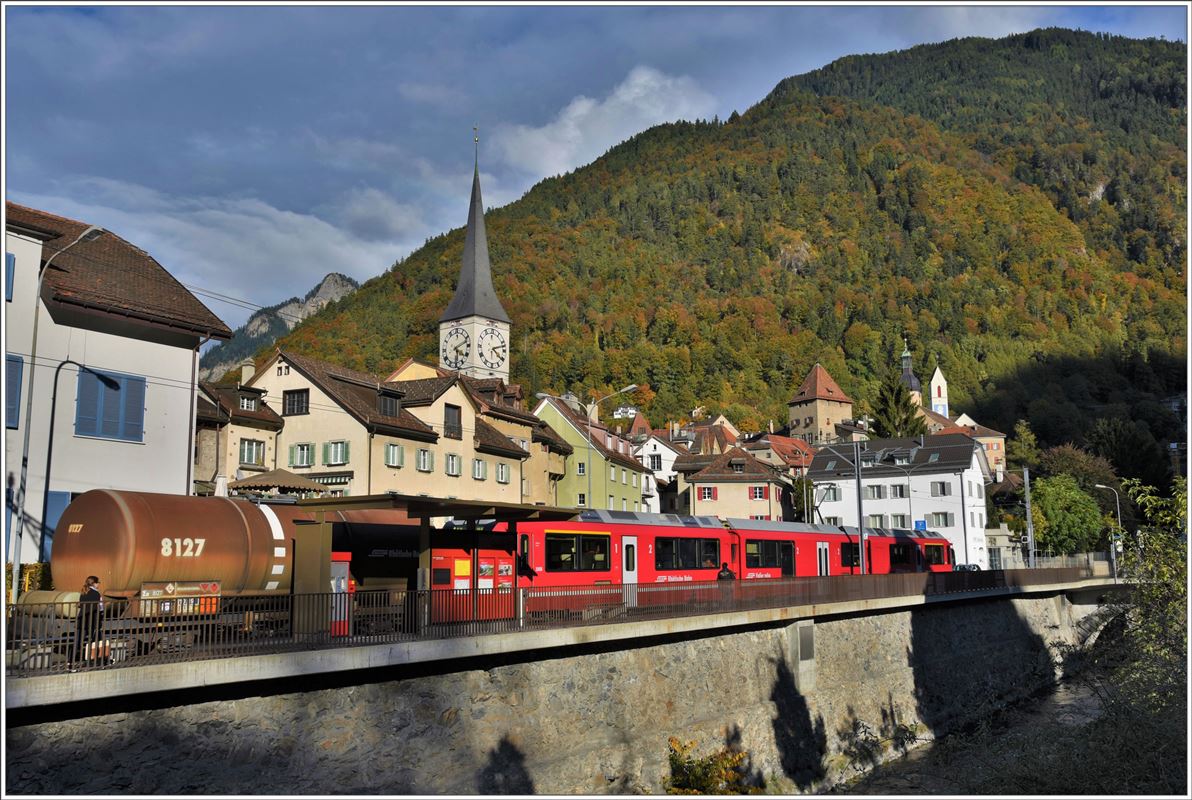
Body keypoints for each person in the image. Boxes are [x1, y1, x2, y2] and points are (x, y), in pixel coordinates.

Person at [72, 575, 104, 668]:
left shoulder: (83, 592)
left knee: (78, 642)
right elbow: (101, 608)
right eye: (98, 583)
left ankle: (71, 662)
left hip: (82, 619)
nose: (99, 585)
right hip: (92, 620)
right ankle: (94, 661)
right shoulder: (96, 594)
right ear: (94, 583)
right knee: (95, 641)